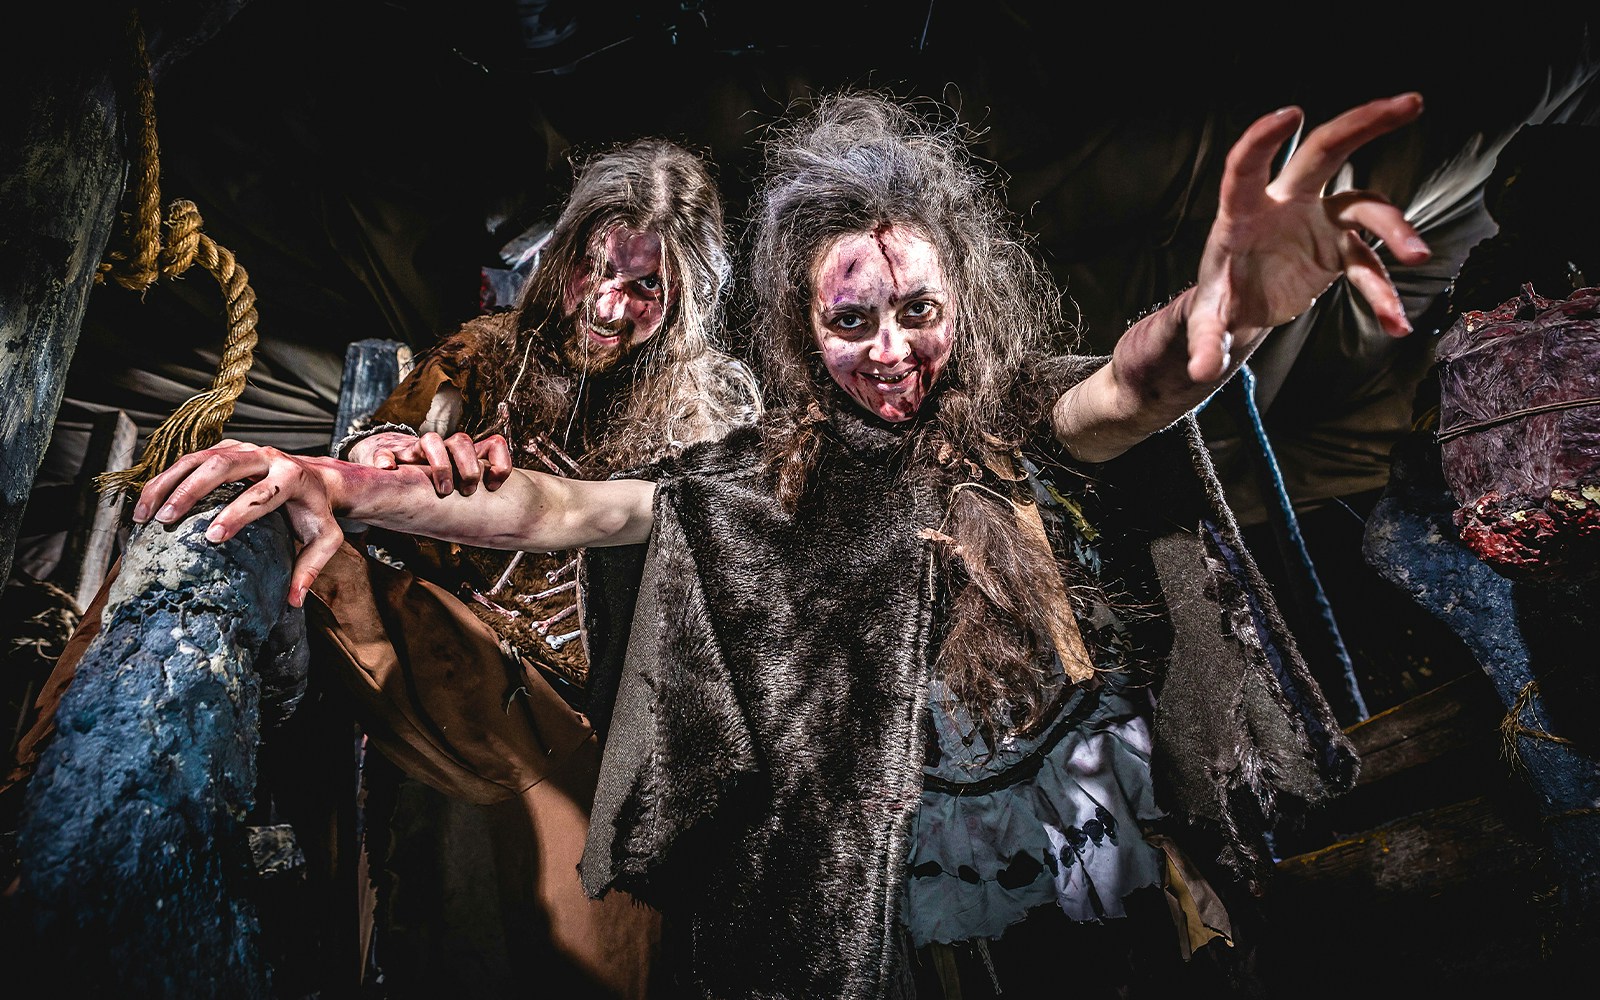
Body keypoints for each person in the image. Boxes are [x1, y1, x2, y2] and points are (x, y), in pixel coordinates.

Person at [132, 89, 1431, 998]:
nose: (891, 348)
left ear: (960, 304)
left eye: (916, 310)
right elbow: (552, 509)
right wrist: (339, 479)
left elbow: (1134, 388)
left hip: (1095, 859)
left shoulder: (1010, 421)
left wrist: (1231, 311)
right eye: (851, 319)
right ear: (805, 335)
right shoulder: (755, 483)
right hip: (896, 902)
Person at [5, 137, 759, 997]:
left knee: (581, 967)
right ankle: (34, 808)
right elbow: (394, 440)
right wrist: (391, 446)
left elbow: (562, 514)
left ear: (687, 301)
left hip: (586, 732)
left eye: (645, 287)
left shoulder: (708, 426)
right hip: (452, 665)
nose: (607, 303)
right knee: (232, 515)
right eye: (595, 266)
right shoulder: (491, 352)